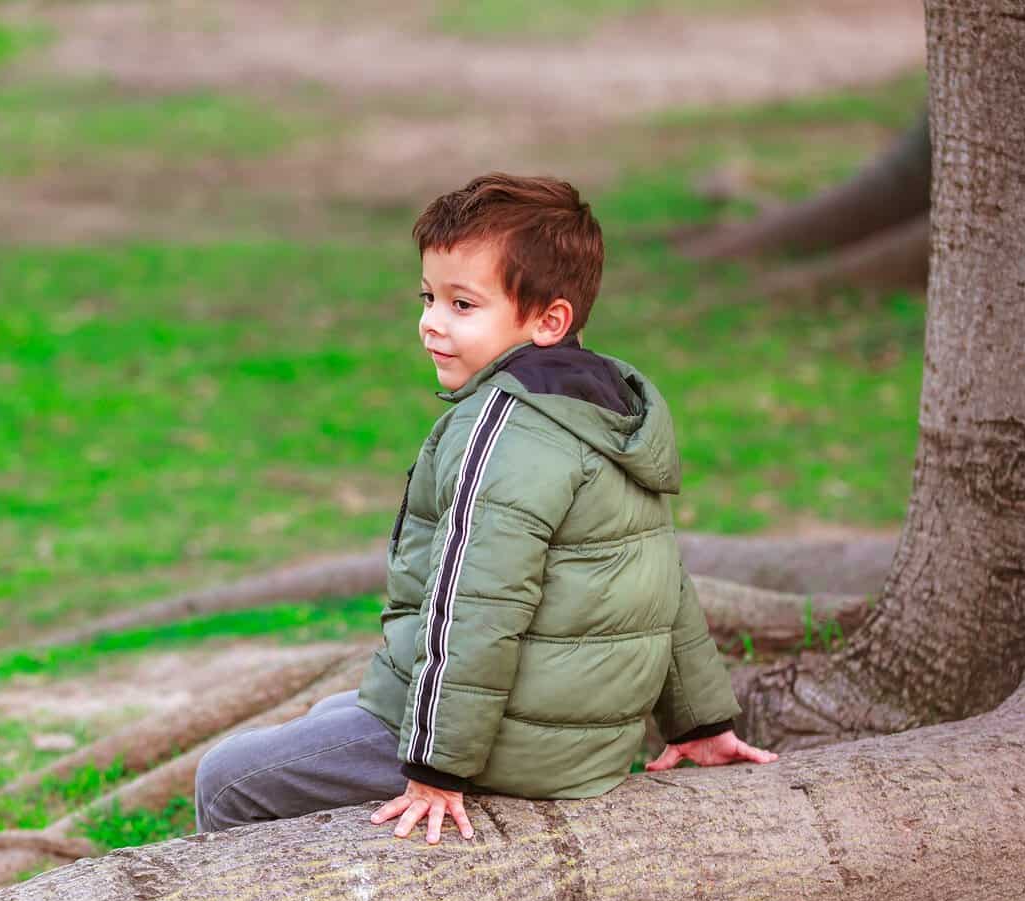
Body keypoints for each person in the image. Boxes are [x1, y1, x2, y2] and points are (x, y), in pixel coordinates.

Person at [193, 172, 777, 844]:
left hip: (498, 750)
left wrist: (438, 768)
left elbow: (474, 606)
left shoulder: (502, 429)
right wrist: (700, 724)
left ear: (548, 319)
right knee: (335, 709)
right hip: (580, 748)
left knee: (226, 778)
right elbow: (658, 578)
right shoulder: (607, 410)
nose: (430, 322)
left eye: (462, 305)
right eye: (428, 296)